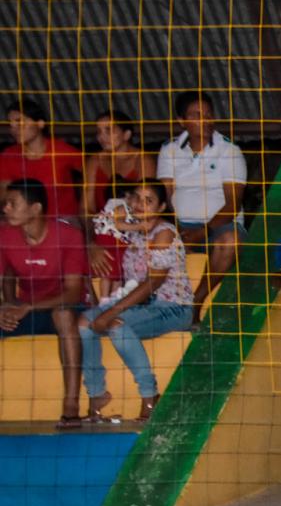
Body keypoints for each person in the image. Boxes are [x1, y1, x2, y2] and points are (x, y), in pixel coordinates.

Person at [76, 178, 192, 423]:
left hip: (171, 307)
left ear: (162, 207)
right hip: (141, 306)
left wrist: (110, 312)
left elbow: (153, 283)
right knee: (84, 324)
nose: (140, 204)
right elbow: (101, 221)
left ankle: (150, 396)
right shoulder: (137, 230)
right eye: (136, 198)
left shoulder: (164, 234)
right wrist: (134, 224)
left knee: (116, 325)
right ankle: (97, 394)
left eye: (148, 200)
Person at [0, 179, 88, 427]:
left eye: (12, 203)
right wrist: (5, 307)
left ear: (35, 208)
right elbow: (4, 276)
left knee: (63, 314)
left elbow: (73, 293)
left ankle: (71, 406)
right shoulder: (5, 234)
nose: (5, 208)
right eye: (5, 203)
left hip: (63, 309)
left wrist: (26, 307)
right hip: (24, 309)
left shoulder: (69, 235)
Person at [156, 91, 248, 313]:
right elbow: (164, 196)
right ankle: (159, 306)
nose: (205, 120)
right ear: (182, 121)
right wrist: (174, 229)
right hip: (181, 226)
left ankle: (196, 301)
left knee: (232, 240)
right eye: (197, 115)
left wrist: (203, 231)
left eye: (208, 114)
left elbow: (233, 204)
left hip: (218, 227)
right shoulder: (169, 150)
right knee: (159, 240)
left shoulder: (229, 151)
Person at [81, 108, 157, 284]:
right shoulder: (94, 161)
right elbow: (86, 208)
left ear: (127, 134)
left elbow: (148, 205)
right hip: (102, 228)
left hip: (133, 229)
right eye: (99, 131)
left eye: (109, 130)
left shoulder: (142, 160)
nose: (102, 136)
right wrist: (92, 242)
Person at [1, 98, 83, 225]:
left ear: (40, 124)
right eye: (11, 125)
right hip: (24, 222)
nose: (14, 129)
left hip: (63, 221)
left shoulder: (63, 151)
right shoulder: (8, 155)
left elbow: (92, 178)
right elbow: (4, 193)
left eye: (19, 122)